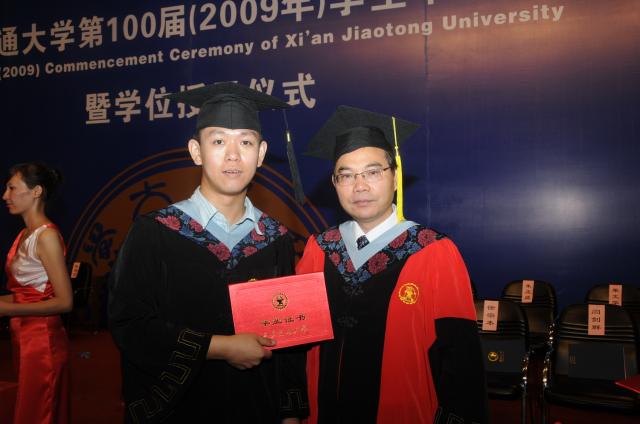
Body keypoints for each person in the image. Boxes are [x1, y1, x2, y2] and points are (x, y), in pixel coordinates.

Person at [108, 82, 308, 423]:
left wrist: (291, 414)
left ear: (261, 154)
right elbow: (129, 325)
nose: (233, 155)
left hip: (257, 407)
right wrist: (222, 347)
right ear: (196, 151)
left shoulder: (275, 239)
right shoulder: (155, 231)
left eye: (246, 142)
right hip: (179, 408)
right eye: (218, 141)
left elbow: (288, 337)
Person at [297, 105, 488, 423]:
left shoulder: (433, 251)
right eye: (346, 175)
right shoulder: (319, 249)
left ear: (395, 177)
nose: (359, 186)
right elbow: (295, 343)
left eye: (373, 172)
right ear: (334, 183)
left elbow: (461, 360)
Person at [1, 161, 72, 424]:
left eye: (11, 188)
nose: (5, 195)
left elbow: (65, 302)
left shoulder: (46, 237)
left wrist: (7, 309)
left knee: (39, 413)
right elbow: (25, 294)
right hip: (25, 339)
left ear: (36, 191)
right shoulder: (24, 234)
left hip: (43, 342)